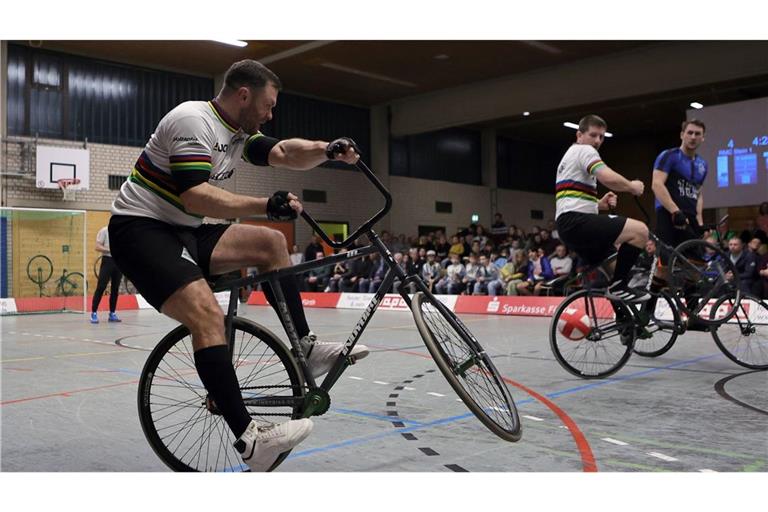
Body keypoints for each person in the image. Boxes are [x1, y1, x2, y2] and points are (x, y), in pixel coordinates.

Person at [107, 59, 369, 472]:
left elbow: (283, 152)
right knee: (207, 315)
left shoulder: (237, 133)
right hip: (140, 230)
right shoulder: (193, 121)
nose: (270, 115)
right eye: (267, 105)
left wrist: (327, 150)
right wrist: (265, 204)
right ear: (244, 95)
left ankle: (305, 346)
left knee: (270, 243)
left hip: (184, 229)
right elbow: (195, 195)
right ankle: (251, 440)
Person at [554, 114, 649, 302]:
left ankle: (624, 318)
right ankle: (618, 287)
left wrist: (598, 204)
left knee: (616, 270)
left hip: (568, 226)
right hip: (577, 223)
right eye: (593, 135)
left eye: (601, 137)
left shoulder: (569, 156)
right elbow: (606, 177)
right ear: (579, 135)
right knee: (640, 231)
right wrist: (632, 186)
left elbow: (568, 199)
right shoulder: (585, 151)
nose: (597, 141)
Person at [90, 225, 123, 324]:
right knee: (101, 286)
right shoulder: (104, 230)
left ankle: (112, 313)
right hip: (107, 260)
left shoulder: (121, 230)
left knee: (115, 288)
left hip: (118, 261)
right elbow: (97, 246)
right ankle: (94, 313)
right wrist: (110, 250)